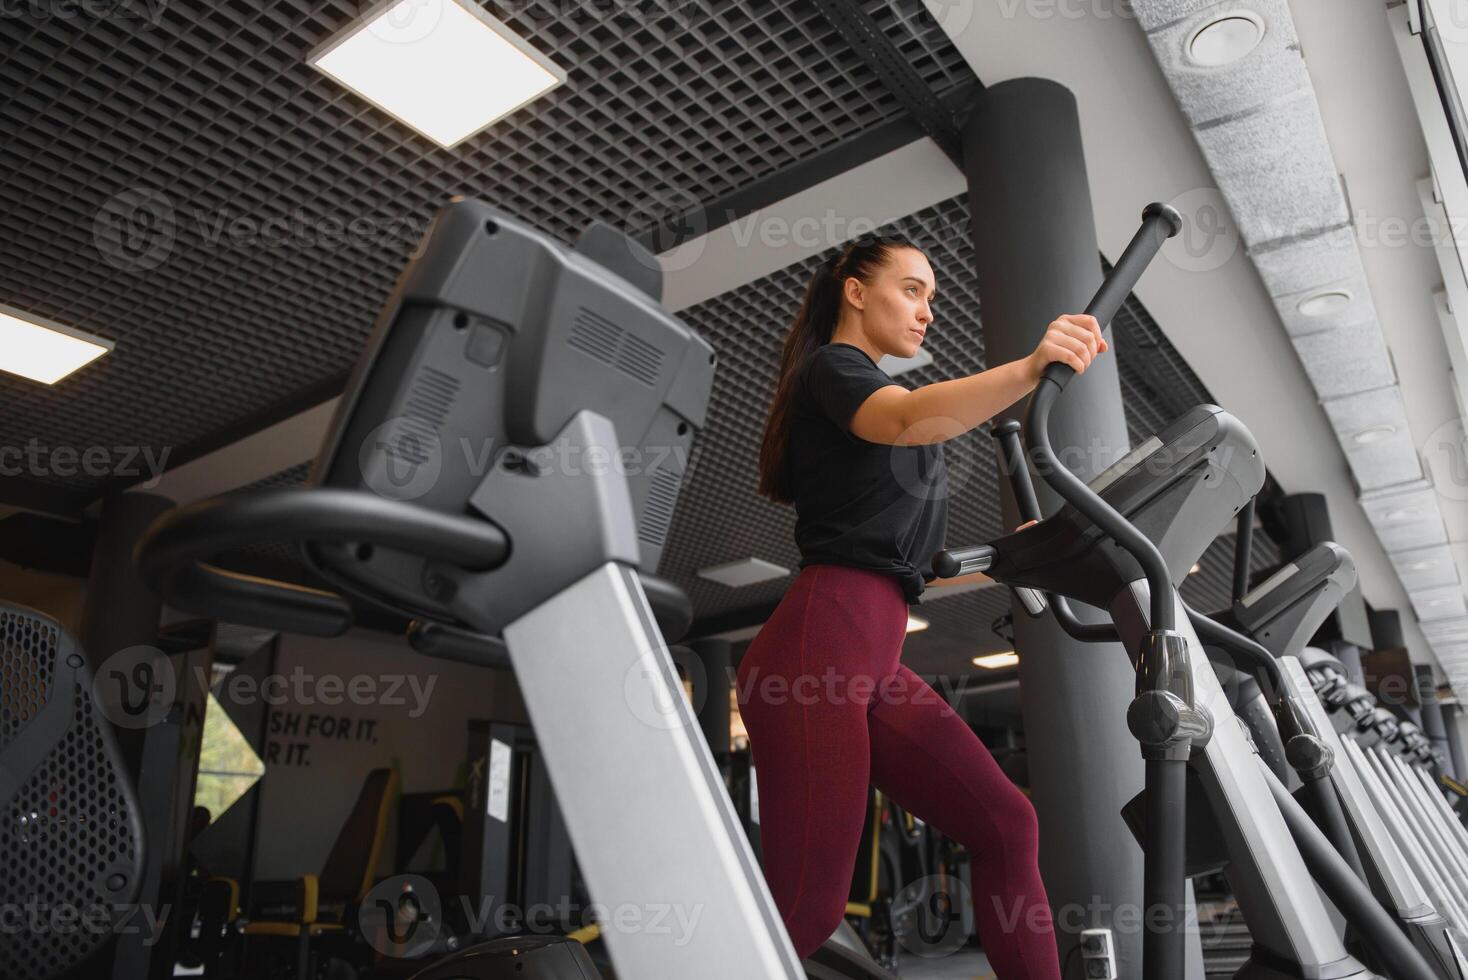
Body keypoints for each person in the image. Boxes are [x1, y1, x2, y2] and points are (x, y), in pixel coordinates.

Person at [738, 233, 1107, 978]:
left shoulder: (878, 396)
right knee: (806, 909)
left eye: (931, 298)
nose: (926, 310)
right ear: (854, 289)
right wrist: (1033, 366)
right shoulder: (837, 371)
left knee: (1007, 824)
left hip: (871, 655)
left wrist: (1023, 556)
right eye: (912, 289)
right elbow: (909, 420)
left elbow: (902, 567)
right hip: (820, 651)